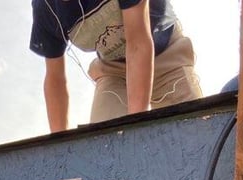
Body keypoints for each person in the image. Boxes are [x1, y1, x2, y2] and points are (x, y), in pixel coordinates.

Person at [30, 0, 203, 130]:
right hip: (113, 68)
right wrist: (59, 148)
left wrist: (136, 126)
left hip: (164, 52)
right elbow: (55, 79)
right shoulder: (45, 8)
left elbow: (137, 43)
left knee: (191, 133)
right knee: (104, 146)